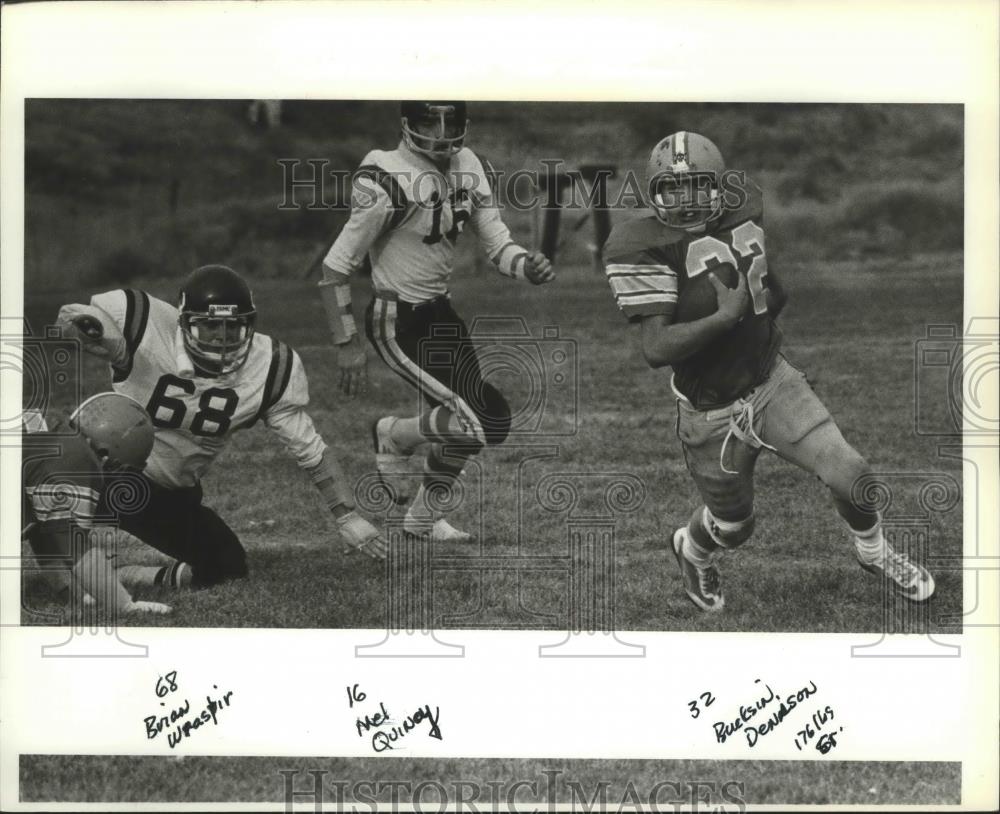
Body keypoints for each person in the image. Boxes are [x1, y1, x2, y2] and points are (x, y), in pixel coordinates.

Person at [602, 131, 934, 612]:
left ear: (719, 187)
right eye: (671, 190)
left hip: (769, 381)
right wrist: (725, 319)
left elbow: (770, 289)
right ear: (653, 195)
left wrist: (753, 325)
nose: (686, 201)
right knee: (734, 526)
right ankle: (691, 551)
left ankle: (875, 552)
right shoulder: (641, 245)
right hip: (710, 412)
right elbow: (655, 348)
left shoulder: (744, 211)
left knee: (853, 473)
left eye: (697, 186)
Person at [56, 264, 387, 590]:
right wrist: (89, 328)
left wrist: (347, 516)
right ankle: (55, 552)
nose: (222, 338)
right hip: (102, 470)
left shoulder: (268, 366)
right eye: (209, 326)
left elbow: (309, 448)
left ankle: (129, 576)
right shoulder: (148, 326)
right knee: (34, 483)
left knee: (225, 566)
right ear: (184, 322)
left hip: (165, 493)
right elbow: (75, 319)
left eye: (234, 327)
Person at [319, 101, 555, 541]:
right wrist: (346, 343)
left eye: (451, 120)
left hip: (441, 313)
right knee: (479, 420)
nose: (443, 131)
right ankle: (393, 435)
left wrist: (527, 266)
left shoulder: (469, 164)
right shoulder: (385, 176)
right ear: (408, 123)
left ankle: (422, 518)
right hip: (397, 317)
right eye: (431, 119)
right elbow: (335, 269)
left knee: (481, 423)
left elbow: (498, 244)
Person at [22, 391, 172, 615]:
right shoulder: (77, 458)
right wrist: (124, 604)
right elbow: (76, 549)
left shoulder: (53, 425)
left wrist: (68, 589)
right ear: (106, 454)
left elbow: (42, 531)